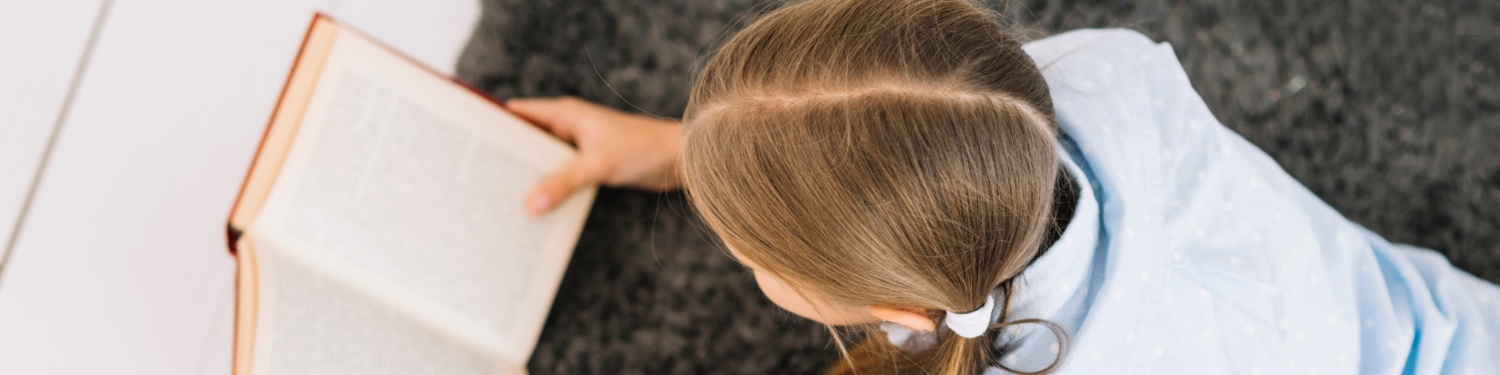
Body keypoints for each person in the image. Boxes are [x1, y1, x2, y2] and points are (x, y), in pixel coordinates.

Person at [503, 0, 1500, 373]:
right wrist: (678, 148)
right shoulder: (1096, 73)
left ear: (899, 310)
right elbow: (900, 135)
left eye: (755, 254)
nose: (744, 261)